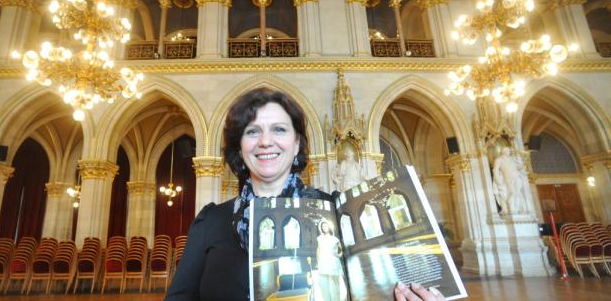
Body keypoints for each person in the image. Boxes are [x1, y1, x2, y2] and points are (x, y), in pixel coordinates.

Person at [165, 87, 444, 301]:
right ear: (239, 147)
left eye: (279, 129)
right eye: (252, 131)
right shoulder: (211, 220)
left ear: (296, 143)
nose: (265, 141)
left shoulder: (335, 209)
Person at [492, 147, 528, 214]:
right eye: (506, 151)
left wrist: (523, 163)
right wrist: (497, 180)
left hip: (516, 177)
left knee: (518, 192)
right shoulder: (499, 160)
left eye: (508, 150)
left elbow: (519, 167)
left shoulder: (512, 159)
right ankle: (509, 208)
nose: (508, 152)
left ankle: (518, 208)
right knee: (510, 192)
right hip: (506, 178)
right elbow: (495, 170)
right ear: (503, 152)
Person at [316, 220, 344, 301]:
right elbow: (318, 250)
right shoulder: (320, 238)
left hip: (333, 262)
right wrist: (318, 262)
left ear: (329, 227)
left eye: (326, 226)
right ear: (321, 228)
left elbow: (341, 250)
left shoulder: (335, 239)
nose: (324, 227)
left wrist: (339, 254)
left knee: (335, 284)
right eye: (323, 226)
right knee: (324, 283)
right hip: (323, 262)